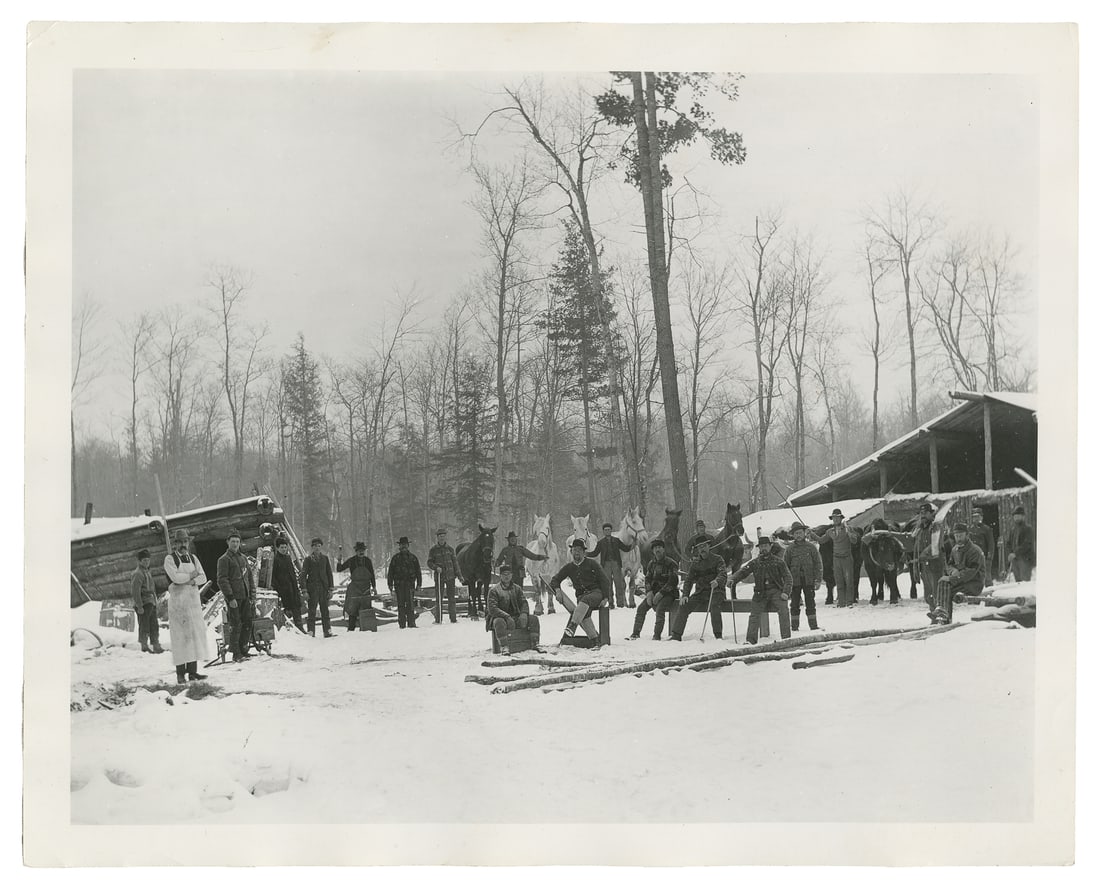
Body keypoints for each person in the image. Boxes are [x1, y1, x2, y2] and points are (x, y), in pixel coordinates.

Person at [162, 529, 209, 684]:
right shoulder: (170, 560)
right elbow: (175, 577)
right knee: (180, 638)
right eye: (180, 542)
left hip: (193, 603)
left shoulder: (193, 558)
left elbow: (203, 577)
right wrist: (190, 576)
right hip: (179, 605)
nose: (183, 544)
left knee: (193, 636)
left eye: (185, 542)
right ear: (176, 544)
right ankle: (180, 674)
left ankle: (193, 672)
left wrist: (192, 581)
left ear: (188, 543)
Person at [730, 536, 794, 645]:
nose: (764, 548)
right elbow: (743, 572)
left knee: (784, 611)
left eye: (766, 546)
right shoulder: (755, 563)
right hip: (760, 592)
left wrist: (785, 592)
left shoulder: (778, 562)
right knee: (754, 615)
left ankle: (786, 640)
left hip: (776, 591)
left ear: (770, 546)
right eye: (762, 546)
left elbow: (788, 578)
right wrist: (732, 579)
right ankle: (751, 641)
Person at [549, 538, 612, 646]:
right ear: (571, 552)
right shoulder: (569, 567)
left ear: (584, 552)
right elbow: (555, 580)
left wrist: (606, 598)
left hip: (596, 593)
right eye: (574, 550)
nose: (576, 552)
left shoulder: (592, 564)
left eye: (579, 550)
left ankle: (572, 626)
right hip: (582, 597)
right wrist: (558, 590)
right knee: (584, 612)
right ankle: (594, 640)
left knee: (584, 601)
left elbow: (605, 581)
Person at [667, 539, 728, 642]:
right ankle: (676, 635)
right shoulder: (696, 563)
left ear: (709, 546)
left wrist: (717, 581)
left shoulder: (718, 559)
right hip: (701, 593)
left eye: (704, 546)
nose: (702, 549)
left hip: (716, 591)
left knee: (714, 606)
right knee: (684, 605)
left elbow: (723, 574)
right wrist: (685, 594)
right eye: (699, 547)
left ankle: (718, 635)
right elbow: (689, 580)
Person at [930, 522, 986, 625]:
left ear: (967, 535)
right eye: (956, 536)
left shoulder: (974, 551)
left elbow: (971, 572)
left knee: (948, 590)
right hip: (961, 582)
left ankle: (945, 618)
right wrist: (952, 571)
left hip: (974, 583)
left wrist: (952, 578)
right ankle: (943, 614)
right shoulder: (955, 549)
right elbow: (949, 565)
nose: (958, 538)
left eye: (961, 535)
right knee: (943, 583)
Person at [889, 503, 944, 606]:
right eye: (921, 513)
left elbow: (936, 544)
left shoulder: (936, 526)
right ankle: (934, 616)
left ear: (932, 514)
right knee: (928, 595)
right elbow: (914, 544)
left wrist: (923, 554)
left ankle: (943, 615)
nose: (922, 515)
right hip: (924, 567)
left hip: (936, 566)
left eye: (925, 513)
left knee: (938, 594)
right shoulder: (919, 529)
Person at [627, 538, 679, 640]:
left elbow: (673, 582)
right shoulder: (651, 564)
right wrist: (649, 592)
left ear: (664, 549)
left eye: (659, 547)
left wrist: (661, 594)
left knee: (660, 610)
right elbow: (648, 579)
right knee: (641, 608)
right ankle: (635, 633)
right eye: (655, 548)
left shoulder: (671, 563)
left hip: (669, 594)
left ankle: (657, 635)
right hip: (654, 593)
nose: (657, 550)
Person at [217, 529, 256, 662]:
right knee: (235, 625)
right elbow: (222, 580)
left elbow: (249, 578)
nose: (235, 544)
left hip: (245, 597)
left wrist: (252, 596)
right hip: (234, 598)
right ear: (228, 542)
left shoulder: (243, 558)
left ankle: (244, 649)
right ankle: (236, 653)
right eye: (232, 541)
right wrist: (230, 598)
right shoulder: (224, 560)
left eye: (237, 541)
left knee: (248, 623)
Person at [486, 564, 541, 655]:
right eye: (504, 574)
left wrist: (523, 613)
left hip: (516, 617)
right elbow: (493, 609)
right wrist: (506, 617)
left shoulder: (517, 588)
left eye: (508, 574)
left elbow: (523, 602)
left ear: (512, 575)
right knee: (498, 622)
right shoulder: (494, 590)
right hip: (500, 618)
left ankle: (535, 643)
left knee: (533, 619)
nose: (506, 576)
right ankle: (504, 646)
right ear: (500, 576)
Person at [810, 509, 860, 607]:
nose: (836, 519)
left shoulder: (848, 529)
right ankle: (841, 602)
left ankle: (849, 601)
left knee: (849, 580)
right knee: (839, 580)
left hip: (847, 557)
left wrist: (850, 535)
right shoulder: (830, 531)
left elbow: (854, 541)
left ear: (841, 518)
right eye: (834, 518)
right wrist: (812, 534)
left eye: (837, 517)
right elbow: (821, 540)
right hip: (836, 559)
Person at [783, 522, 823, 631]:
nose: (798, 535)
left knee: (810, 603)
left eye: (800, 533)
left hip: (809, 580)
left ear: (804, 533)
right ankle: (794, 627)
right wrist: (786, 583)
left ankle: (813, 626)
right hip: (794, 582)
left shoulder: (811, 547)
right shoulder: (790, 549)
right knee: (794, 604)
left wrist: (818, 580)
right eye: (796, 533)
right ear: (793, 535)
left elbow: (818, 564)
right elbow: (784, 567)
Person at [588, 523, 633, 608]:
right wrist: (586, 553)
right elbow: (595, 553)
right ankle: (611, 603)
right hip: (606, 565)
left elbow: (625, 548)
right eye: (605, 530)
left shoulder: (616, 540)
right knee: (607, 584)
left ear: (611, 530)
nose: (607, 531)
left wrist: (633, 544)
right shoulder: (601, 542)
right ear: (603, 531)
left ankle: (620, 603)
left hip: (616, 563)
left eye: (609, 529)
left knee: (618, 584)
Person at [337, 541, 377, 632]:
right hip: (355, 589)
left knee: (366, 610)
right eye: (359, 550)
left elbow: (372, 575)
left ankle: (367, 629)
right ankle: (351, 630)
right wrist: (339, 561)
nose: (361, 552)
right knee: (353, 610)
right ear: (356, 551)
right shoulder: (351, 561)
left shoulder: (368, 561)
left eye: (362, 550)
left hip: (366, 588)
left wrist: (374, 587)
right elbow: (339, 569)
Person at [495, 531, 549, 599]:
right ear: (508, 540)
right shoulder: (505, 550)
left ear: (516, 540)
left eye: (514, 539)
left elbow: (531, 556)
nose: (513, 540)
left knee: (519, 591)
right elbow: (499, 560)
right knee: (509, 591)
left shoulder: (520, 549)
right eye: (511, 539)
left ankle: (519, 606)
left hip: (519, 573)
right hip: (509, 574)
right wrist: (496, 563)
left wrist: (542, 557)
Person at [300, 536, 335, 638]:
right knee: (312, 611)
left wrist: (331, 589)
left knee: (325, 611)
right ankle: (311, 631)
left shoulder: (325, 559)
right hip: (312, 589)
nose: (317, 548)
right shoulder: (308, 560)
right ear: (312, 547)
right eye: (315, 546)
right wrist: (305, 590)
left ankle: (327, 631)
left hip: (324, 589)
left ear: (321, 547)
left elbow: (329, 574)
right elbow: (303, 575)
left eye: (319, 546)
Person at [130, 548, 163, 654]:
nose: (146, 562)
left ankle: (156, 645)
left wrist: (155, 601)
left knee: (154, 625)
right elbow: (135, 591)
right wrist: (139, 606)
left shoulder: (147, 572)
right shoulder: (137, 573)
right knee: (144, 626)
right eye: (144, 560)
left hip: (150, 602)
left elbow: (152, 588)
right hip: (143, 603)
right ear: (139, 561)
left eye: (148, 560)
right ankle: (144, 646)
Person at [387, 536, 423, 629]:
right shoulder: (395, 558)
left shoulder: (413, 558)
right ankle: (402, 624)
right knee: (401, 605)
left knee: (410, 605)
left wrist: (419, 584)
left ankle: (411, 623)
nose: (404, 547)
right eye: (402, 545)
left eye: (405, 545)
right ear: (399, 546)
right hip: (399, 586)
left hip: (410, 585)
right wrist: (390, 584)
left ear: (408, 546)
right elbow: (390, 572)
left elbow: (418, 572)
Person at [427, 528, 460, 623]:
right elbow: (429, 562)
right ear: (437, 537)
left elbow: (455, 563)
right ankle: (438, 619)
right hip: (439, 577)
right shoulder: (433, 550)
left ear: (446, 537)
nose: (442, 538)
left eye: (443, 536)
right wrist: (436, 567)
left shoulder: (450, 549)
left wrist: (459, 575)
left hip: (450, 576)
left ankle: (453, 619)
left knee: (452, 598)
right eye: (440, 536)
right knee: (439, 598)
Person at [270, 536, 303, 631]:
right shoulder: (275, 560)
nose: (284, 549)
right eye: (282, 547)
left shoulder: (288, 558)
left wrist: (295, 586)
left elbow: (292, 573)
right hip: (283, 589)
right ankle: (287, 630)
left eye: (285, 547)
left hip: (292, 588)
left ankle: (300, 627)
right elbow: (274, 577)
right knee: (286, 610)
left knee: (296, 608)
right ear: (277, 548)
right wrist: (279, 589)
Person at [1006, 506, 1035, 582]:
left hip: (1025, 559)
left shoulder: (1028, 529)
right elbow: (1008, 543)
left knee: (1024, 582)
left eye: (1018, 516)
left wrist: (1015, 553)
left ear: (1023, 517)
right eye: (1015, 516)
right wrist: (1010, 553)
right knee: (1018, 582)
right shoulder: (1013, 530)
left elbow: (1027, 544)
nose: (1016, 518)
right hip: (1015, 560)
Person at [968, 509, 997, 586]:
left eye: (978, 517)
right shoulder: (970, 529)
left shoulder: (986, 529)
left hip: (984, 557)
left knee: (986, 576)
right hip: (973, 557)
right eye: (974, 517)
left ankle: (989, 591)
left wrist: (989, 557)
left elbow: (991, 544)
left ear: (981, 517)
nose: (976, 519)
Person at [819, 532, 836, 605]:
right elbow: (820, 540)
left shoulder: (843, 530)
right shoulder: (827, 535)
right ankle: (830, 595)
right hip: (827, 560)